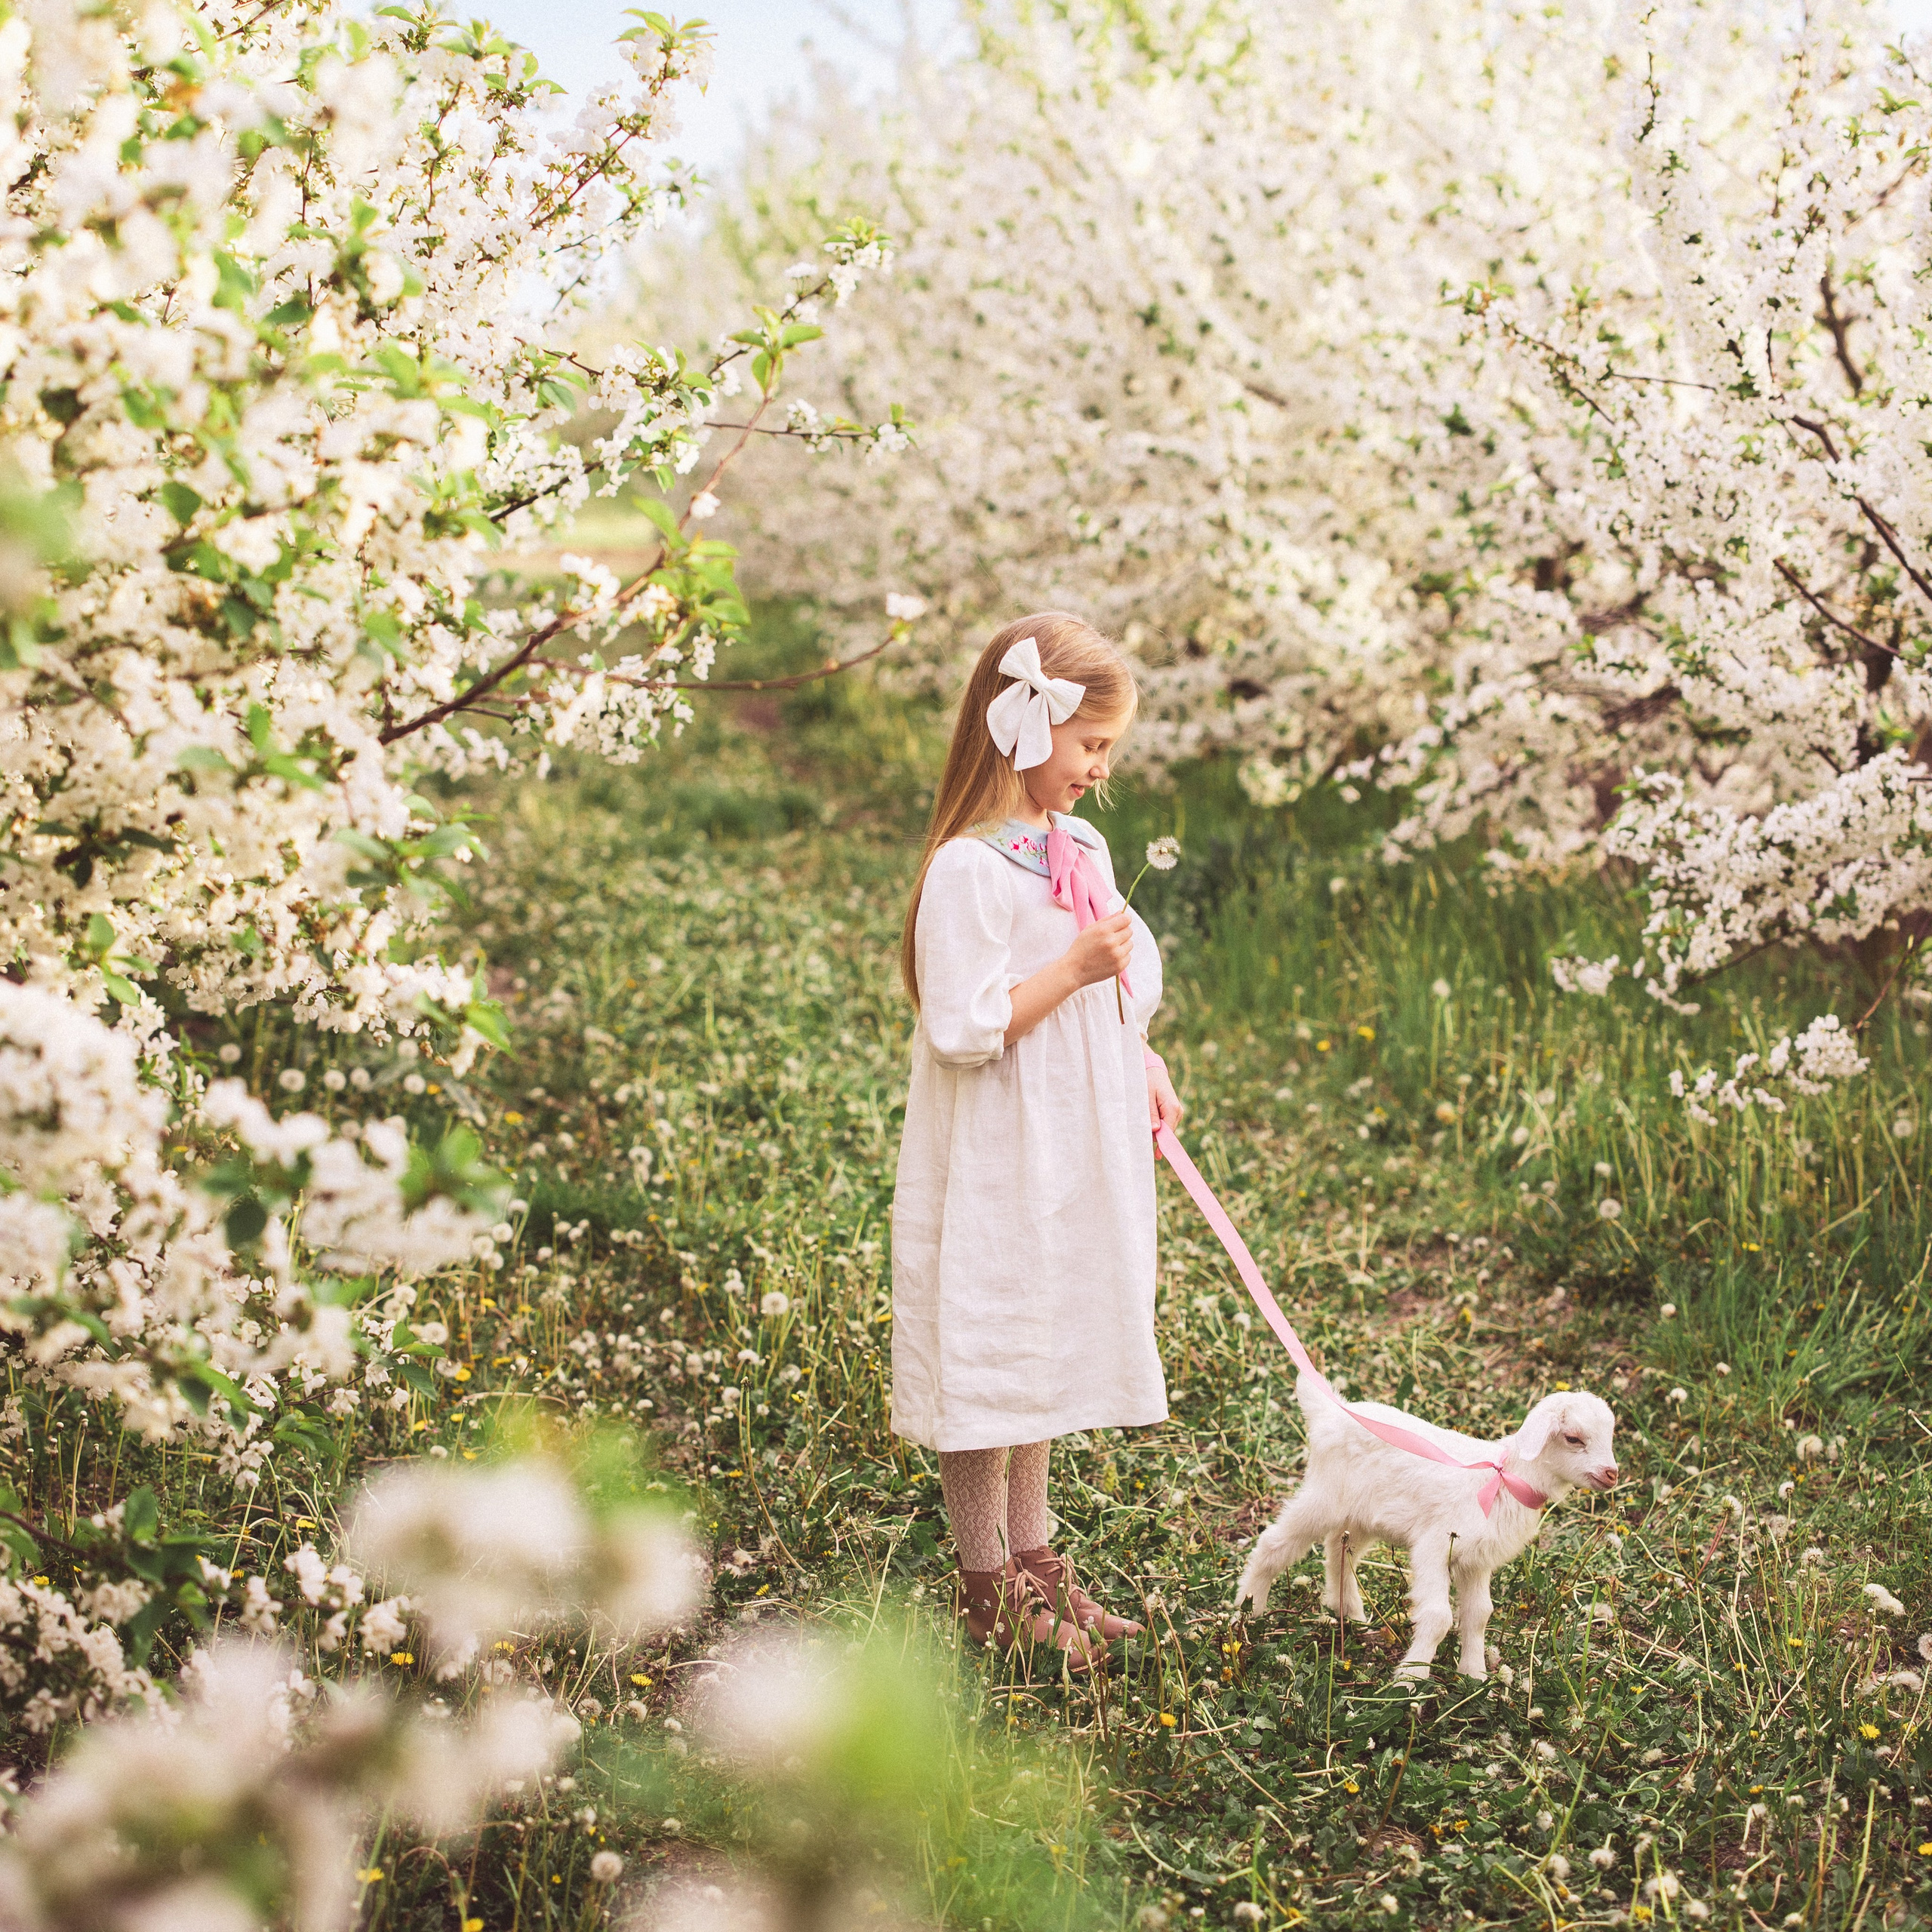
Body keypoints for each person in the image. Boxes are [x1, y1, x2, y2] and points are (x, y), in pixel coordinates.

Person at [891, 611, 1183, 1671]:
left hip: (1073, 1146)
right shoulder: (970, 870)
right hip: (1001, 1154)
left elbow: (1124, 985)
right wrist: (1070, 972)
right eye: (1091, 745)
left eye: (1111, 750)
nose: (1101, 771)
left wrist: (1138, 1057)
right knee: (992, 1351)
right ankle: (986, 1585)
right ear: (1025, 725)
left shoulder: (1081, 846)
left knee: (1042, 1346)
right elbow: (962, 1025)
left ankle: (1036, 1559)